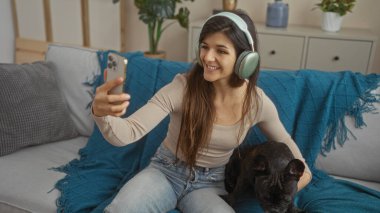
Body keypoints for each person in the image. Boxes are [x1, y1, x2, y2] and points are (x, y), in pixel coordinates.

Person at [92, 9, 312, 213]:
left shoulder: (257, 103)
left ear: (246, 59)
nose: (207, 57)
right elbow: (126, 133)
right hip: (165, 172)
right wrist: (102, 113)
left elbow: (305, 171)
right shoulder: (181, 88)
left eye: (221, 50)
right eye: (204, 46)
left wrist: (281, 194)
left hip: (210, 184)